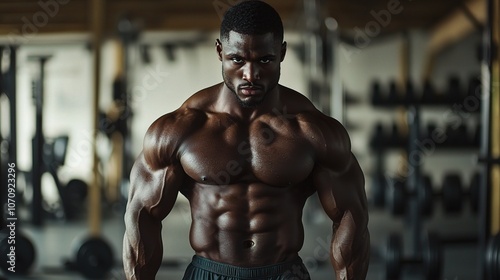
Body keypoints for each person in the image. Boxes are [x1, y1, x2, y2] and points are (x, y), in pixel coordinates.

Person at [123, 1, 370, 279]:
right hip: (209, 272)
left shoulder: (313, 131)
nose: (250, 75)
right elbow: (143, 217)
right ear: (220, 51)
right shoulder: (180, 129)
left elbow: (351, 217)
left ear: (282, 53)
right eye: (237, 59)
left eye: (264, 60)